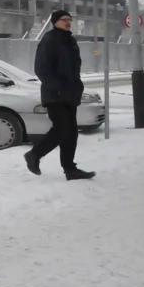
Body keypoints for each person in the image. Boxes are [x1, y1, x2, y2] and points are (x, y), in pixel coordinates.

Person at [24, 10, 96, 180]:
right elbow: (41, 69)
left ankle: (70, 169)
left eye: (70, 19)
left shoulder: (69, 40)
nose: (68, 22)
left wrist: (76, 87)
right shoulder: (49, 40)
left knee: (71, 133)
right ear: (55, 21)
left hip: (70, 94)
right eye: (64, 19)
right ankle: (34, 155)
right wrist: (56, 88)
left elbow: (73, 68)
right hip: (55, 94)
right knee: (61, 129)